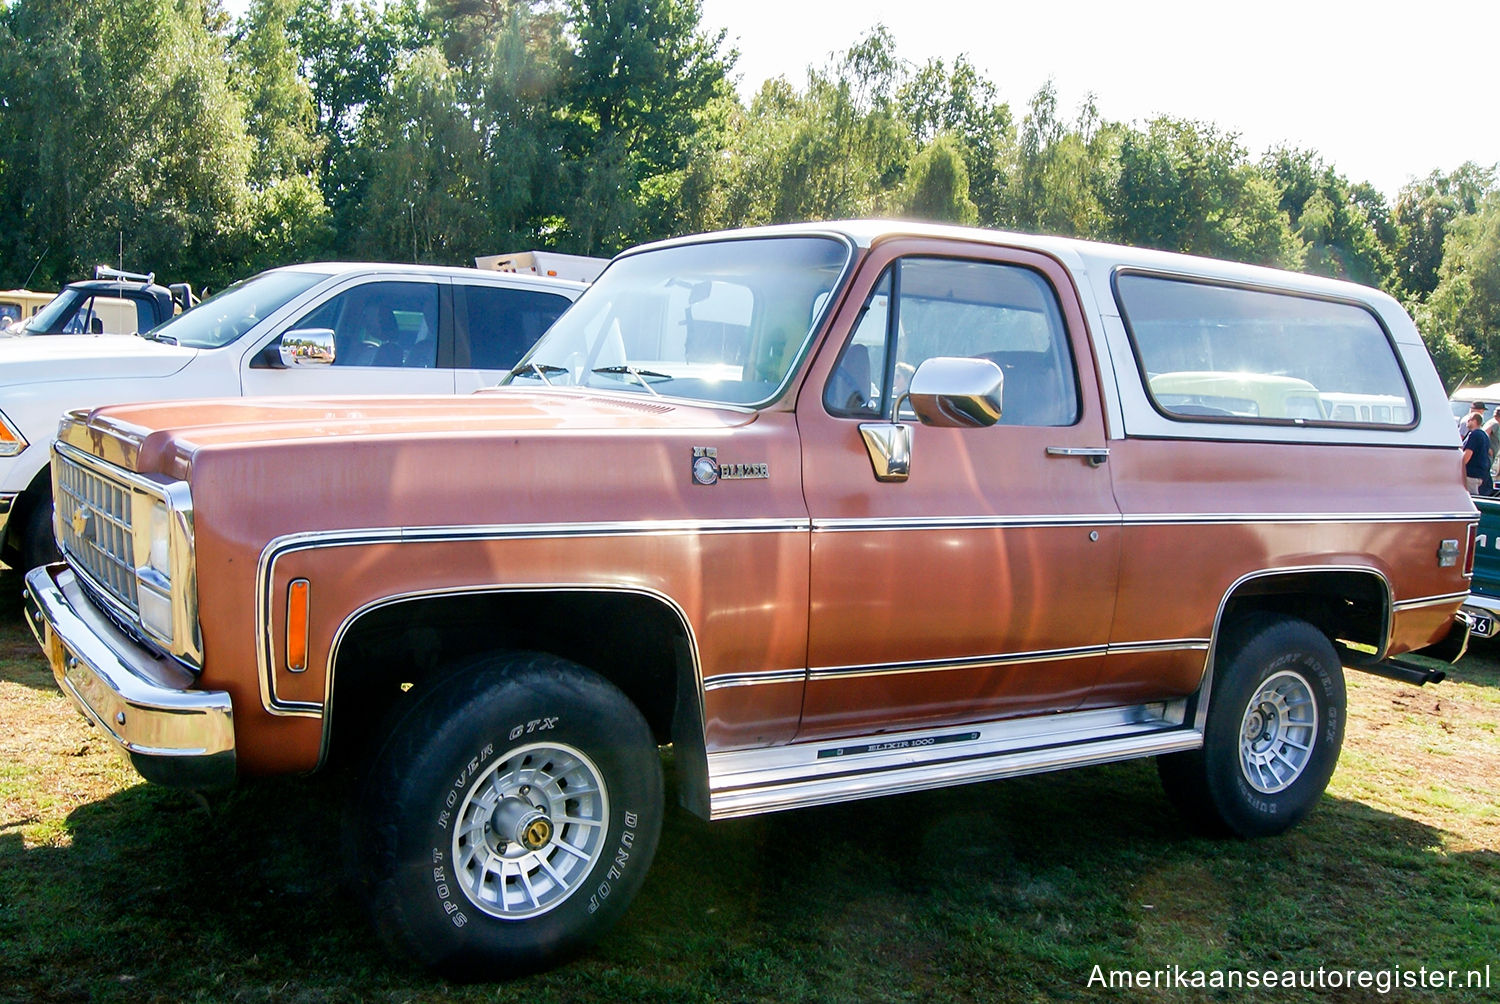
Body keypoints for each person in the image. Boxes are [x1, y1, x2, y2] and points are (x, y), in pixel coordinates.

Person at [1462, 412, 1491, 494]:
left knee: (1471, 498)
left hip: (1471, 474)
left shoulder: (1475, 434)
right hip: (1480, 474)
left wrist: (1458, 468)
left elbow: (1468, 454)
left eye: (1469, 420)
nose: (1467, 422)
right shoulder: (1484, 435)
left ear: (1475, 421)